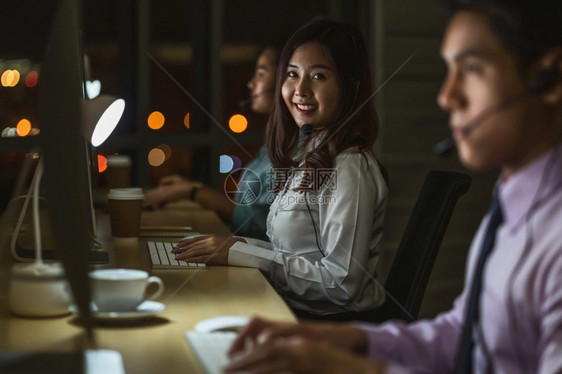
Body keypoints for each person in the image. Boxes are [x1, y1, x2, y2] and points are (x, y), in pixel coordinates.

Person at [222, 0, 562, 373]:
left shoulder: (552, 235)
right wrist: (353, 341)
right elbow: (462, 333)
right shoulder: (511, 206)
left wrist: (355, 367)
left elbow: (341, 283)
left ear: (549, 79)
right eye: (449, 69)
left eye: (473, 68)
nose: (446, 96)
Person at [172, 18, 388, 318]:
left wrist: (242, 253)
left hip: (328, 328)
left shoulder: (349, 166)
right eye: (292, 74)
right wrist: (232, 247)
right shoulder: (309, 151)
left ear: (349, 85)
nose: (300, 89)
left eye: (319, 77)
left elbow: (341, 284)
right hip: (287, 308)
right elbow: (288, 254)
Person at [142, 46, 280, 240]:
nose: (251, 83)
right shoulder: (273, 144)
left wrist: (191, 191)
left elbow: (256, 222)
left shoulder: (292, 151)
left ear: (285, 81)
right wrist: (190, 188)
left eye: (261, 73)